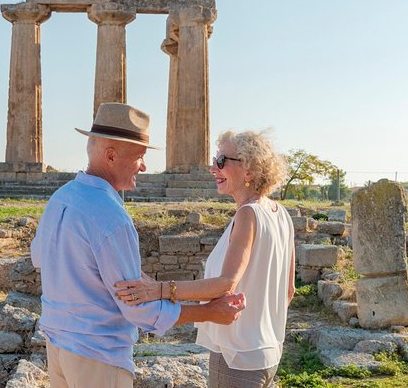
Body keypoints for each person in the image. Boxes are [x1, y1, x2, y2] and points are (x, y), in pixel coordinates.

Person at [31, 103, 246, 388]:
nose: (144, 166)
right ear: (110, 156)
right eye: (139, 157)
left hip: (57, 345)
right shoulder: (110, 216)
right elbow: (136, 309)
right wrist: (208, 312)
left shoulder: (61, 197)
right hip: (97, 356)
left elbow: (38, 259)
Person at [115, 129, 295, 388]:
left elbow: (225, 283)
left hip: (236, 356)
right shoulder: (281, 214)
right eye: (214, 159)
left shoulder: (249, 214)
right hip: (268, 353)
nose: (213, 168)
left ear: (250, 170)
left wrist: (158, 290)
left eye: (222, 161)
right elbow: (288, 291)